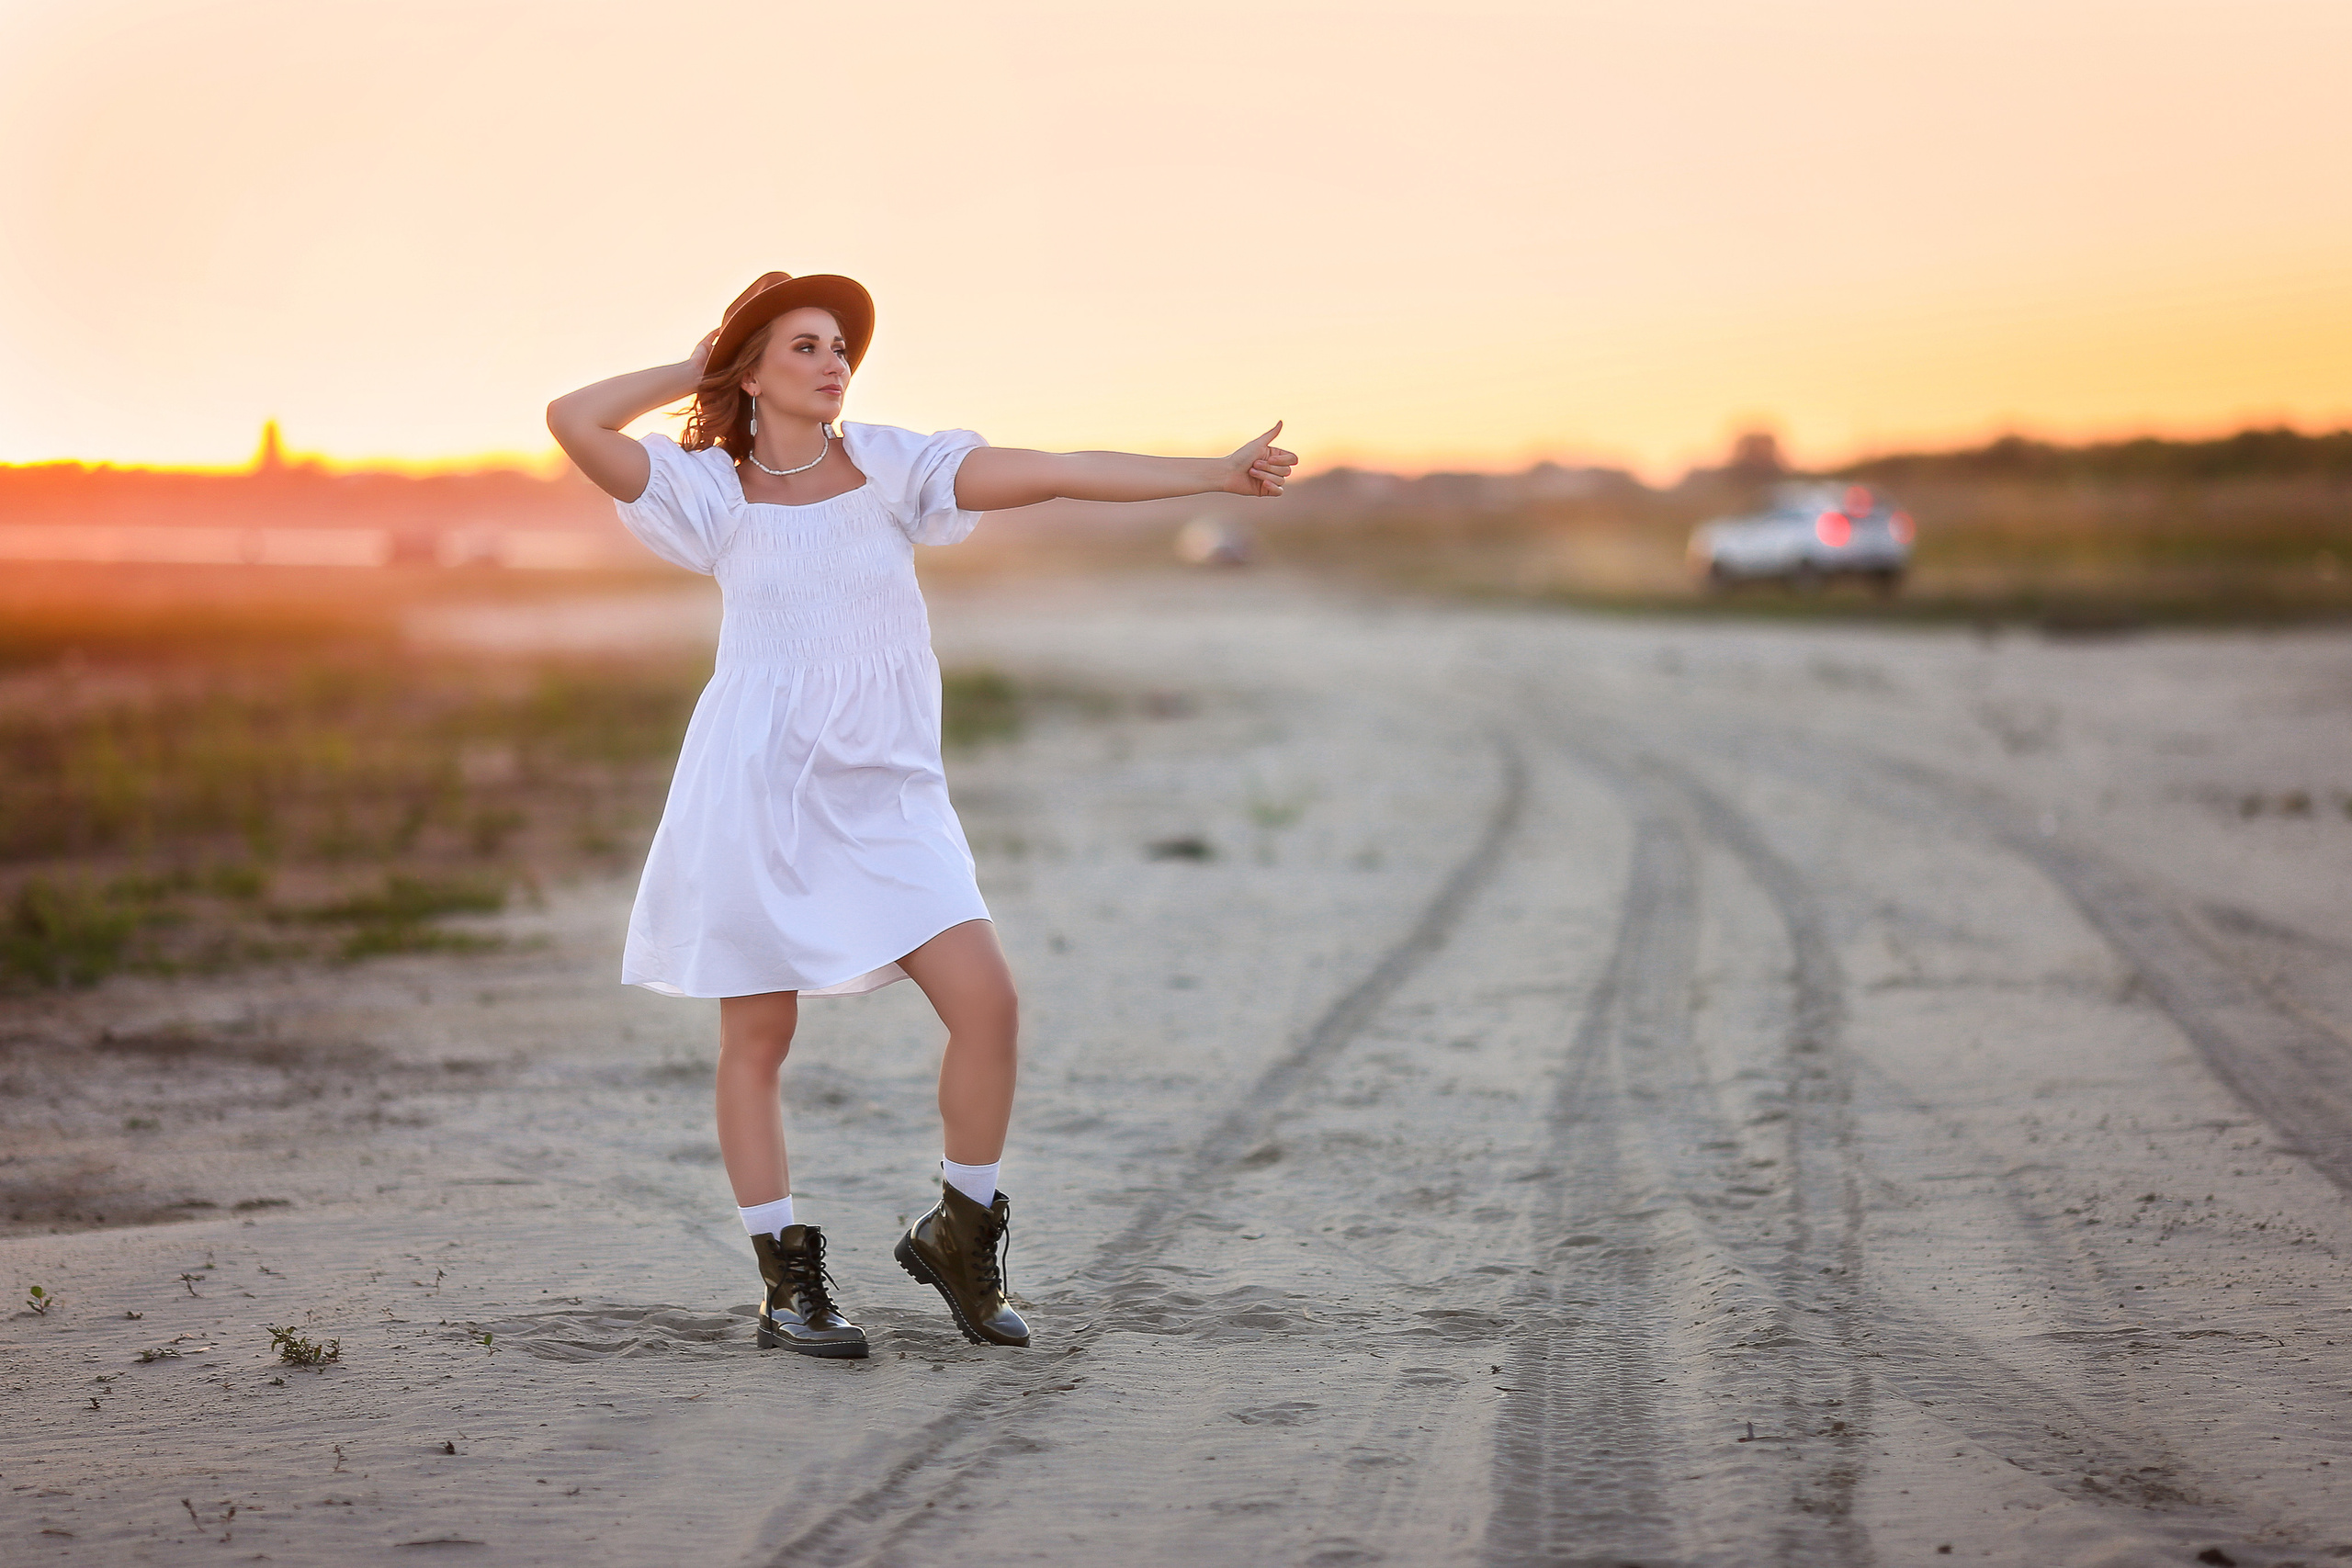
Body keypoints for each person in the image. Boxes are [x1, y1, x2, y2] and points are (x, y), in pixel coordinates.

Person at [546, 272, 1295, 1358]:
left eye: (841, 345)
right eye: (803, 345)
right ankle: (785, 1282)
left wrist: (1210, 474)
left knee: (987, 1003)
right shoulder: (706, 491)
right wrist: (700, 362)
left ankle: (960, 1231)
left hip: (887, 792)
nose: (834, 361)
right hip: (758, 790)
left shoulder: (895, 465)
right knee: (757, 1036)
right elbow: (572, 419)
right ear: (752, 369)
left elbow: (1053, 472)